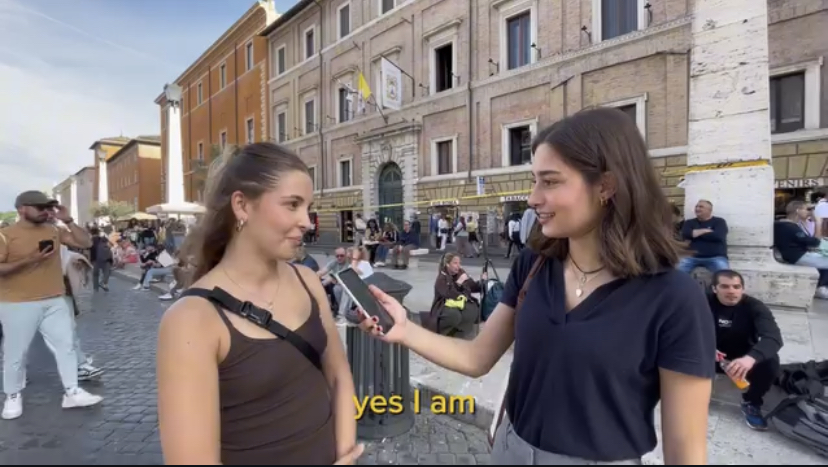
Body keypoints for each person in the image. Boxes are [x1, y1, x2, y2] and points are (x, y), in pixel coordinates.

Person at [359, 108, 715, 464]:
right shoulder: (534, 264)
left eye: (550, 182)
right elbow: (476, 357)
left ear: (605, 186)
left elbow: (686, 449)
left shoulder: (674, 298)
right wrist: (405, 330)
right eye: (534, 181)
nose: (532, 198)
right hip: (511, 451)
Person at [156, 142, 361, 465]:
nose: (307, 221)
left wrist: (346, 453)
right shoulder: (191, 319)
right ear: (242, 206)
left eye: (307, 207)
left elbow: (338, 374)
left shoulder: (307, 281)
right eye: (292, 205)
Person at [0, 191, 103, 420]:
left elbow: (86, 242)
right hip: (17, 303)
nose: (46, 211)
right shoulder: (6, 235)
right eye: (40, 207)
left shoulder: (54, 230)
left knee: (66, 346)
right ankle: (13, 395)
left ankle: (72, 391)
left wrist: (68, 220)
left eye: (48, 207)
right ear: (22, 209)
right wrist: (29, 261)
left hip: (55, 299)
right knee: (16, 352)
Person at [709, 270, 783, 431]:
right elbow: (680, 329)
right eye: (725, 286)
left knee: (771, 361)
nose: (731, 291)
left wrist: (750, 358)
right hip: (710, 354)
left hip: (743, 357)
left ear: (743, 288)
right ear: (714, 289)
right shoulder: (701, 303)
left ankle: (752, 402)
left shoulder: (755, 307)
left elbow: (774, 338)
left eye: (736, 287)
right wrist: (704, 346)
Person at [773, 200, 828, 298]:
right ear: (798, 211)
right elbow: (815, 242)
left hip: (793, 255)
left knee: (823, 258)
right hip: (797, 257)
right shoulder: (791, 228)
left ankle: (822, 286)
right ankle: (821, 288)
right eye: (806, 209)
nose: (808, 212)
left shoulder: (782, 224)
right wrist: (818, 222)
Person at [426, 253, 486, 338]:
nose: (458, 266)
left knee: (472, 311)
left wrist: (482, 281)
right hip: (444, 305)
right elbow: (448, 294)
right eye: (455, 263)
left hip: (460, 302)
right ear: (447, 264)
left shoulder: (461, 273)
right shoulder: (441, 278)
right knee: (454, 315)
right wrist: (458, 283)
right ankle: (446, 334)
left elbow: (473, 286)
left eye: (459, 263)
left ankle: (459, 333)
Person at [678, 200, 730, 273]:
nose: (697, 209)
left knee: (725, 275)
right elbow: (685, 234)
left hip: (716, 257)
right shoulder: (689, 222)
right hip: (691, 257)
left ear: (709, 210)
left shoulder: (719, 221)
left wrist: (695, 233)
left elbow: (718, 236)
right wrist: (706, 231)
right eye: (696, 206)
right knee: (677, 274)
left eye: (701, 207)